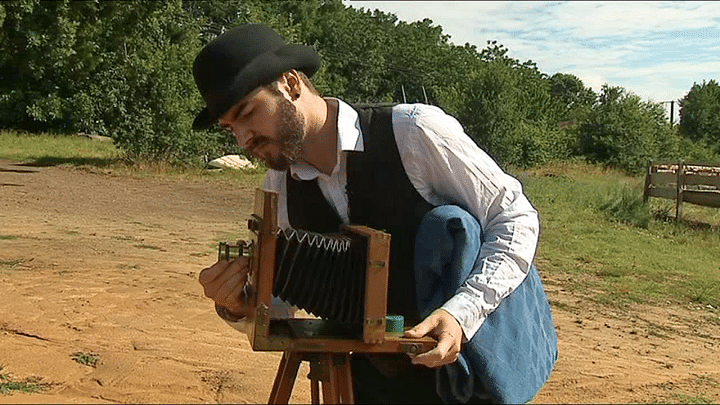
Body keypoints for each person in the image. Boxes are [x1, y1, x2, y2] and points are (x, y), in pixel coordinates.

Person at [194, 24, 556, 404]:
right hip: (375, 375)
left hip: (471, 368)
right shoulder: (279, 188)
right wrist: (239, 304)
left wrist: (462, 312)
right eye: (230, 127)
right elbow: (285, 300)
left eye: (247, 113)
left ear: (290, 84)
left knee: (449, 223)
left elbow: (514, 217)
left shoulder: (414, 132)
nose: (243, 138)